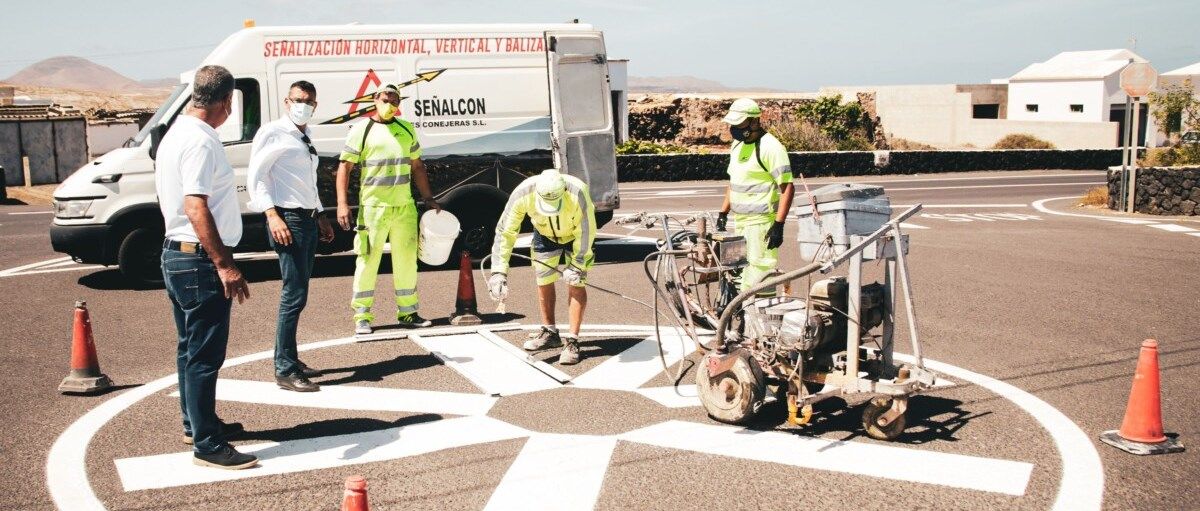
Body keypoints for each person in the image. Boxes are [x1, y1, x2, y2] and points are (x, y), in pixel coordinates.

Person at [155, 65, 257, 470]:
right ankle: (208, 444)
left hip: (176, 255)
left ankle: (196, 423)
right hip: (197, 259)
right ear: (227, 102)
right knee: (204, 355)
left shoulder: (175, 134)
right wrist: (225, 264)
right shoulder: (200, 141)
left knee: (188, 350)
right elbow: (195, 205)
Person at [246, 80, 335, 393]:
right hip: (289, 219)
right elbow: (257, 179)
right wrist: (272, 216)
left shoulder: (305, 134)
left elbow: (307, 184)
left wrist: (321, 214)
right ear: (286, 102)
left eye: (309, 101)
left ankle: (291, 359)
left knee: (299, 294)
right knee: (293, 295)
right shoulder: (273, 132)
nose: (303, 105)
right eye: (298, 99)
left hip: (307, 218)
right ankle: (284, 369)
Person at [336, 84, 439, 334]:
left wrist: (428, 198)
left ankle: (408, 313)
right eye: (386, 99)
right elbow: (344, 169)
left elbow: (417, 167)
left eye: (395, 101)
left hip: (404, 208)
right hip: (373, 209)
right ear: (375, 100)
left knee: (406, 263)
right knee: (368, 261)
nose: (391, 105)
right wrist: (342, 204)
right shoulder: (361, 130)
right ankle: (362, 315)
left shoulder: (406, 129)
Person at [488, 169, 596, 365]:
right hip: (544, 235)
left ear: (563, 190)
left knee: (576, 284)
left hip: (575, 236)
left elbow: (587, 229)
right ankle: (550, 333)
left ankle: (572, 341)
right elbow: (506, 231)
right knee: (544, 281)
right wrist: (498, 271)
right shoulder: (523, 193)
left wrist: (577, 265)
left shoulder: (578, 192)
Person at [715, 98, 795, 295]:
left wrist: (779, 225)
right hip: (740, 221)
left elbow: (787, 188)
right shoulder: (737, 146)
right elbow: (734, 182)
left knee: (760, 272)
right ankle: (745, 316)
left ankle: (762, 317)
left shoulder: (771, 147)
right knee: (739, 272)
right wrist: (723, 212)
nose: (734, 128)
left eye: (739, 123)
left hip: (761, 224)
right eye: (732, 123)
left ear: (754, 121)